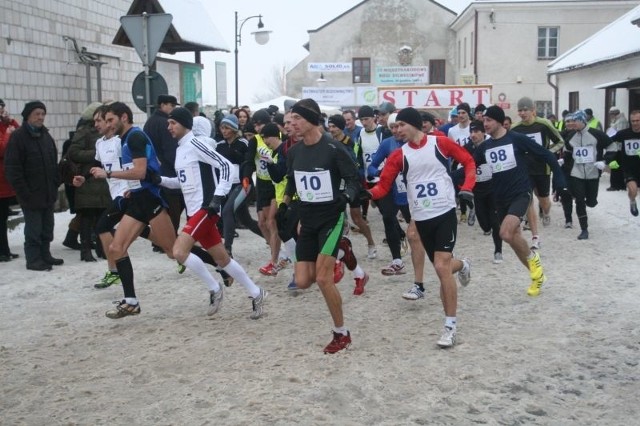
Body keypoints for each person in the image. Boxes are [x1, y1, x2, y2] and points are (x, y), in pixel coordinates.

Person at [365, 107, 475, 348]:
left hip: (444, 211)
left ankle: (450, 327)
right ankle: (464, 264)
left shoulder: (440, 143)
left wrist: (467, 186)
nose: (396, 130)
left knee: (440, 266)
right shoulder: (398, 155)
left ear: (413, 124)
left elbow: (467, 161)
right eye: (394, 126)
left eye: (401, 125)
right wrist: (364, 194)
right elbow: (383, 187)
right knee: (445, 265)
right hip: (421, 217)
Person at [155, 107, 267, 319]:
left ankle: (215, 288)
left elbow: (225, 165)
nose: (168, 127)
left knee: (178, 252)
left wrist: (218, 197)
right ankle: (256, 292)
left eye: (173, 123)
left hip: (206, 209)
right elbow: (184, 182)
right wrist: (160, 180)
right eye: (168, 123)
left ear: (185, 124)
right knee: (223, 260)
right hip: (194, 211)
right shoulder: (181, 150)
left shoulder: (196, 143)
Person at [281, 98, 361, 354]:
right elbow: (293, 182)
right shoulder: (294, 151)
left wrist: (346, 197)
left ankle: (341, 333)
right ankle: (342, 252)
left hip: (331, 217)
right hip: (308, 219)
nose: (291, 124)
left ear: (311, 121)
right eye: (290, 119)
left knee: (325, 279)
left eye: (296, 119)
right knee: (303, 281)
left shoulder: (334, 149)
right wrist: (285, 204)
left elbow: (353, 179)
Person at [90, 102, 178, 318]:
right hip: (135, 198)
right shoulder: (119, 140)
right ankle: (131, 302)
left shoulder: (135, 137)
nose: (107, 125)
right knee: (116, 248)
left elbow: (139, 171)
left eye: (110, 120)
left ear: (124, 118)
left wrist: (109, 175)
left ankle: (219, 263)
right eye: (105, 121)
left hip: (149, 198)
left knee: (174, 251)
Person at [474, 106, 568, 297]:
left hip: (520, 193)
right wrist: (450, 177)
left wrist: (559, 179)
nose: (485, 124)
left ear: (499, 121)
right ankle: (536, 274)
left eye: (489, 121)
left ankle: (535, 263)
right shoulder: (485, 147)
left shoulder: (516, 138)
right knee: (514, 238)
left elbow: (547, 155)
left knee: (505, 233)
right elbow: (469, 167)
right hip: (499, 197)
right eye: (484, 121)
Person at [4, 101, 63, 271]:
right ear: (27, 115)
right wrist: (24, 192)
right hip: (30, 194)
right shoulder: (18, 137)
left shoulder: (46, 135)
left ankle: (45, 255)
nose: (41, 117)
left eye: (43, 114)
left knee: (47, 228)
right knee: (33, 230)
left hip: (47, 192)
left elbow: (53, 162)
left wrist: (54, 184)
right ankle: (33, 259)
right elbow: (13, 169)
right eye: (37, 114)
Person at [511, 97, 564, 250]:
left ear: (533, 110)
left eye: (525, 110)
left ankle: (546, 212)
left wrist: (546, 153)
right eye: (520, 110)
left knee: (544, 201)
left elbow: (560, 142)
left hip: (542, 169)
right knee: (528, 201)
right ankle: (535, 237)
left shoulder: (544, 124)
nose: (523, 113)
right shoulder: (515, 128)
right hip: (525, 170)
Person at [241, 109, 283, 276]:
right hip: (262, 183)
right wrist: (246, 177)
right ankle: (277, 251)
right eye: (256, 124)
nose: (258, 128)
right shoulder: (256, 141)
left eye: (260, 124)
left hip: (276, 185)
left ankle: (274, 261)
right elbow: (249, 161)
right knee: (261, 223)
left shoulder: (277, 137)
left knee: (271, 221)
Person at [68, 102, 111, 261]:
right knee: (86, 217)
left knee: (102, 216)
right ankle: (85, 250)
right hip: (87, 181)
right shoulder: (84, 132)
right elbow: (73, 152)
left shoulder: (109, 132)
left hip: (103, 183)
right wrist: (97, 154)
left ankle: (102, 249)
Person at [560, 110, 613, 240]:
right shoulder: (571, 136)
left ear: (582, 121)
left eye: (575, 121)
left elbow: (612, 146)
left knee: (591, 202)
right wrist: (563, 160)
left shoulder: (597, 134)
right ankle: (584, 229)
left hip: (593, 173)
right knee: (579, 200)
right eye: (570, 121)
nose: (572, 124)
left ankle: (590, 201)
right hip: (576, 173)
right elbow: (567, 151)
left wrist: (605, 161)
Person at [215, 114, 262, 256]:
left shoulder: (243, 143)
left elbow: (250, 163)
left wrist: (245, 178)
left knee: (227, 211)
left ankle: (227, 248)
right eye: (222, 127)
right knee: (245, 220)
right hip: (227, 186)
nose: (224, 131)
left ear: (234, 129)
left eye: (227, 128)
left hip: (243, 185)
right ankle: (272, 238)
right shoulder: (219, 145)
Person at [457, 120, 503, 263]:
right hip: (477, 190)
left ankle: (498, 251)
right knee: (485, 224)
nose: (473, 135)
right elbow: (458, 165)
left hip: (493, 188)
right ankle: (483, 223)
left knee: (496, 222)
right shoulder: (466, 148)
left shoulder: (491, 145)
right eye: (471, 132)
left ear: (484, 132)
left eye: (477, 131)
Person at [143, 94, 184, 252]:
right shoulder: (164, 123)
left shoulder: (150, 122)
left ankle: (160, 240)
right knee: (173, 208)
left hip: (154, 171)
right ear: (162, 105)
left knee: (165, 208)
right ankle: (167, 241)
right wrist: (177, 167)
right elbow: (170, 150)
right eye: (171, 105)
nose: (173, 109)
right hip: (168, 171)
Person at [0, 99, 20, 262]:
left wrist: (10, 121)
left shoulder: (3, 125)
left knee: (3, 217)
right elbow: (3, 148)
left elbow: (19, 136)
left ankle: (5, 250)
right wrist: (8, 134)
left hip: (4, 182)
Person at [611, 110, 640, 217]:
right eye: (633, 121)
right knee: (633, 190)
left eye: (637, 120)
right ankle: (632, 201)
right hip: (629, 168)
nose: (635, 123)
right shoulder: (624, 133)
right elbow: (608, 141)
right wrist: (610, 158)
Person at [606, 106, 629, 191]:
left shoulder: (621, 121)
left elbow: (619, 134)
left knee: (615, 166)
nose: (610, 116)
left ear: (615, 113)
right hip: (615, 146)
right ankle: (617, 184)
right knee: (615, 166)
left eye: (611, 114)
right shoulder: (617, 120)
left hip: (618, 147)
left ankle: (616, 185)